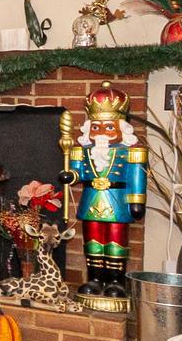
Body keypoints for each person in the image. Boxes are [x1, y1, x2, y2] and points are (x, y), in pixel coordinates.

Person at [59, 87, 147, 309]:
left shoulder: (131, 152)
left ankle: (116, 281)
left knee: (116, 242)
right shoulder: (83, 151)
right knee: (93, 242)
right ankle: (95, 278)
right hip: (92, 201)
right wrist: (71, 175)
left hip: (117, 202)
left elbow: (137, 176)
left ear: (121, 128)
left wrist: (137, 201)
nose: (102, 133)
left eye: (109, 127)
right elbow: (78, 173)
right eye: (96, 127)